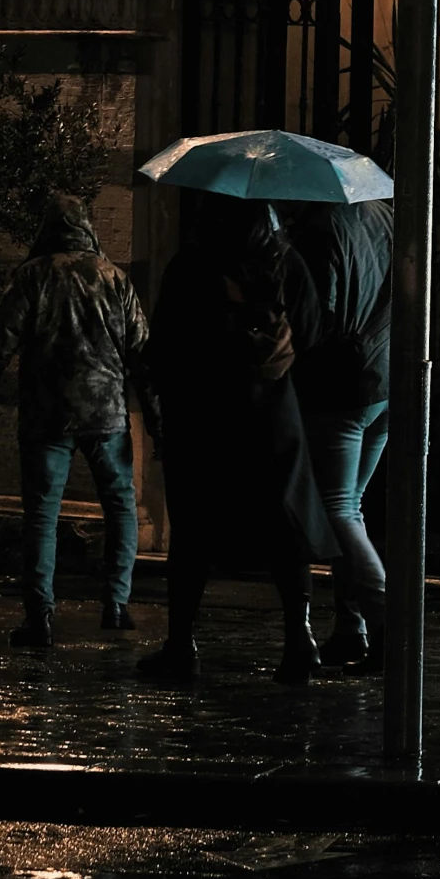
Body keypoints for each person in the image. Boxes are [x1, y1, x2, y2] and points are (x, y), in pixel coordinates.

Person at [137, 194, 336, 685]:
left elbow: (163, 344)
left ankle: (181, 643)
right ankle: (299, 637)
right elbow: (311, 331)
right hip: (273, 414)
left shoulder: (192, 264)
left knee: (194, 531)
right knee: (284, 525)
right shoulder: (286, 262)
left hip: (204, 415)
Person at [0, 192, 152, 649]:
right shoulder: (116, 279)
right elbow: (143, 354)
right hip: (107, 415)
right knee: (120, 507)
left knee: (42, 515)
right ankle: (116, 604)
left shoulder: (33, 277)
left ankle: (40, 615)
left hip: (46, 415)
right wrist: (154, 415)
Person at [285, 197, 392, 670]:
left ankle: (388, 626)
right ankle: (352, 628)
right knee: (353, 505)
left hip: (344, 384)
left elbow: (316, 321)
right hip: (385, 379)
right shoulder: (385, 215)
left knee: (339, 509)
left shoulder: (319, 229)